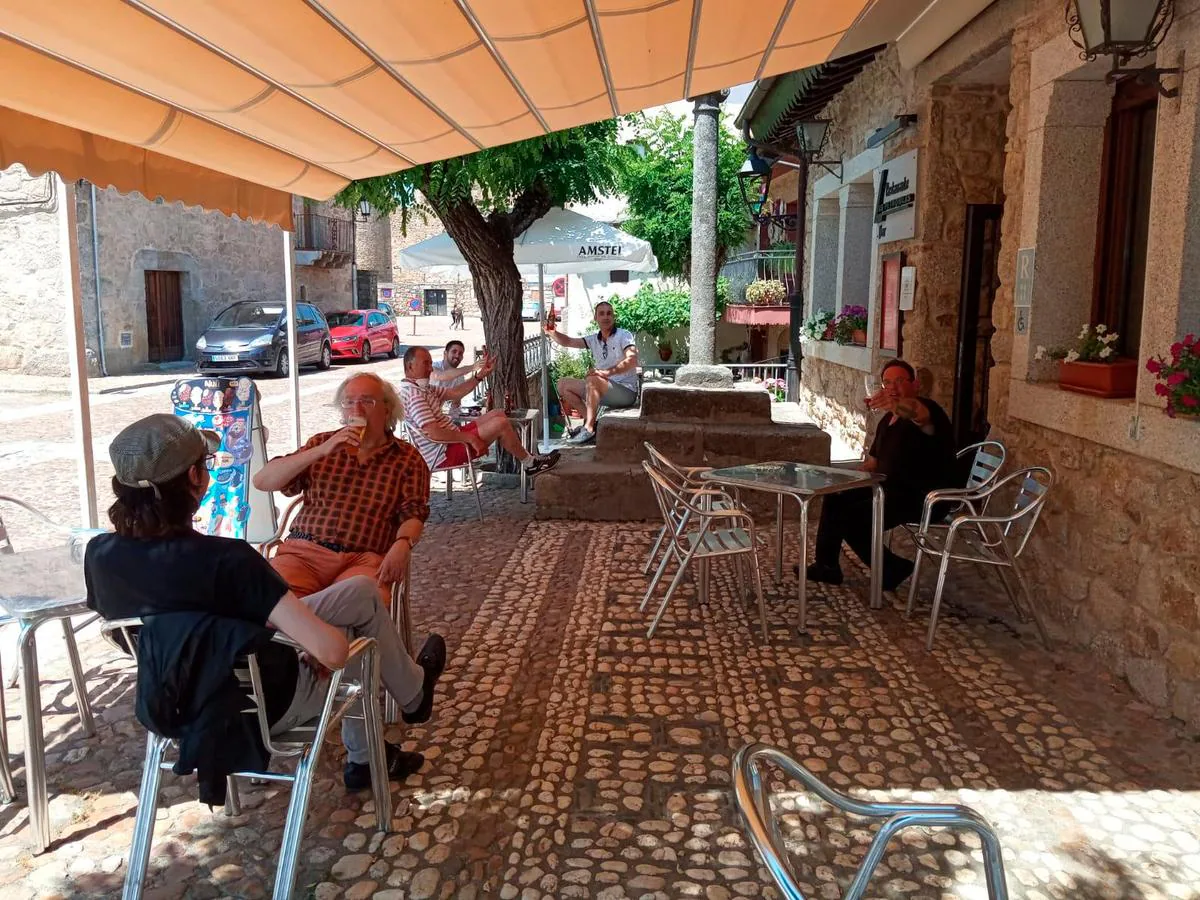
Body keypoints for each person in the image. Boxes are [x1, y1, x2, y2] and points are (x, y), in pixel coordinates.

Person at [85, 414, 447, 792]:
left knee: (361, 592)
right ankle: (372, 750)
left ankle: (409, 699)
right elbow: (335, 653)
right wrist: (311, 638)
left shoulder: (99, 557)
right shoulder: (229, 561)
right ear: (195, 479)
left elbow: (176, 625)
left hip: (171, 700)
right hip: (262, 703)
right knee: (355, 639)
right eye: (205, 465)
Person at [253, 372, 430, 607]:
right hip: (304, 553)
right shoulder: (322, 444)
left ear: (387, 410)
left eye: (368, 401)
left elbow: (414, 512)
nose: (357, 410)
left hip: (362, 559)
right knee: (266, 596)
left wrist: (403, 543)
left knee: (363, 599)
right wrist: (321, 451)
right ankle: (307, 626)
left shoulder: (407, 458)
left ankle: (302, 622)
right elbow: (262, 481)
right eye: (349, 402)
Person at [806, 359, 955, 592]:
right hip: (888, 488)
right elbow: (873, 462)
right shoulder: (887, 420)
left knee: (853, 518)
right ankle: (827, 566)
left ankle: (892, 568)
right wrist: (849, 478)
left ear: (915, 385)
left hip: (921, 496)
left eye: (900, 381)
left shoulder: (929, 410)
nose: (893, 387)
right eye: (887, 382)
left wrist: (896, 406)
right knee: (836, 497)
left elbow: (918, 415)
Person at [399, 346, 560, 475]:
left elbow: (456, 392)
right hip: (442, 452)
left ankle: (530, 459)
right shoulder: (414, 395)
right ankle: (530, 464)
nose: (430, 369)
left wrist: (480, 375)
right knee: (500, 423)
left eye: (430, 363)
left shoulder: (423, 388)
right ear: (410, 366)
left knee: (498, 413)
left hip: (451, 440)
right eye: (426, 364)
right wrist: (470, 438)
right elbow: (434, 433)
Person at [546, 300, 639, 445]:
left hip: (626, 392)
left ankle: (588, 429)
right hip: (603, 389)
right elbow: (568, 342)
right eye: (601, 314)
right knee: (563, 384)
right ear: (596, 318)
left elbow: (632, 360)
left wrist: (605, 373)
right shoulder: (594, 340)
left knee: (593, 378)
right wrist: (552, 332)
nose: (606, 317)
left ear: (613, 317)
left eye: (609, 313)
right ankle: (592, 423)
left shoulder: (623, 335)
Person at [431, 339, 480, 417]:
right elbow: (440, 376)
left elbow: (456, 402)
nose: (457, 356)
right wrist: (472, 367)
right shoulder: (433, 367)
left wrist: (454, 420)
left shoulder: (459, 376)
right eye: (454, 352)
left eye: (460, 353)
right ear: (445, 353)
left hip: (440, 417)